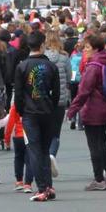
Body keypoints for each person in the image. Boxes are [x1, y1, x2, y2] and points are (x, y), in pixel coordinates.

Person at [67, 34, 106, 191]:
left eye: (87, 47)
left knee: (94, 145)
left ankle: (98, 179)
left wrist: (72, 109)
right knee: (101, 142)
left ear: (95, 48)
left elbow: (84, 91)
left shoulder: (93, 66)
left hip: (93, 109)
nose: (85, 50)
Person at [14, 31, 60, 202]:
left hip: (29, 112)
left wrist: (20, 110)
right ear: (42, 45)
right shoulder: (51, 66)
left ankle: (41, 188)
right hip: (47, 111)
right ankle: (48, 185)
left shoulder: (22, 66)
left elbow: (18, 93)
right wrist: (52, 108)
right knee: (45, 149)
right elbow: (57, 93)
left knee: (34, 149)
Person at [44, 30, 72, 177]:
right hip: (60, 99)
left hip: (44, 99)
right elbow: (69, 77)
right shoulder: (64, 58)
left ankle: (45, 157)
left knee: (44, 131)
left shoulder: (43, 58)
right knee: (56, 132)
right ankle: (52, 154)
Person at [4, 103, 33, 193]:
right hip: (30, 135)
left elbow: (10, 124)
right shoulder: (32, 104)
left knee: (18, 158)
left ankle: (19, 181)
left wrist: (7, 140)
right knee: (30, 160)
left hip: (18, 135)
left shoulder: (16, 106)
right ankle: (28, 184)